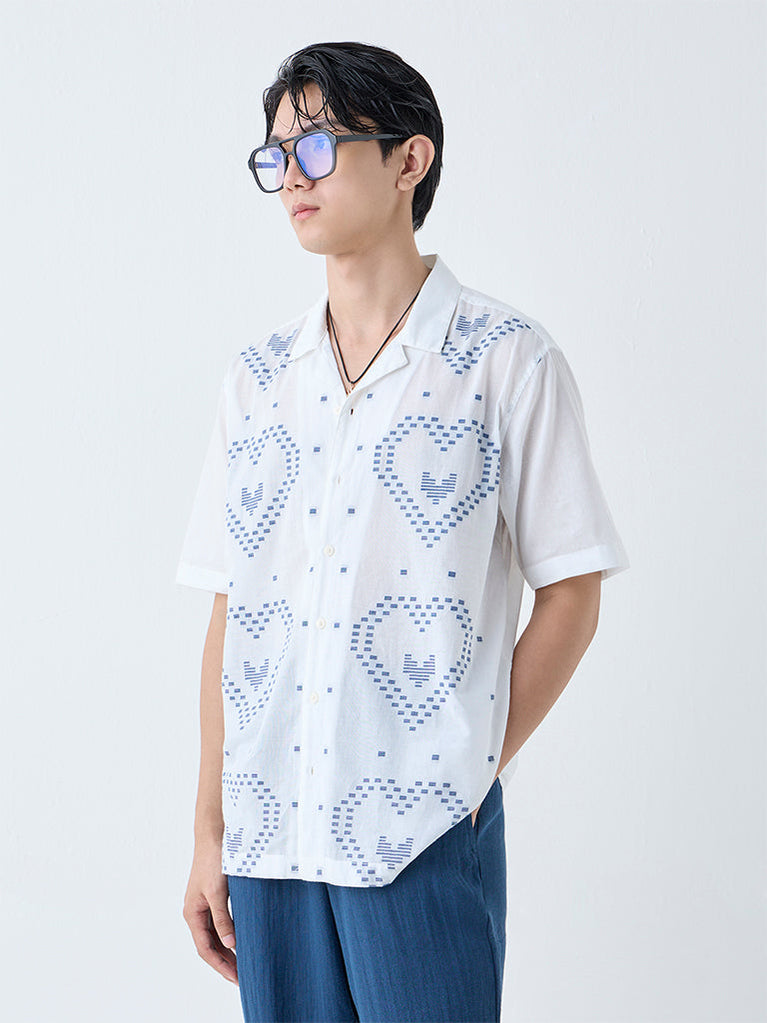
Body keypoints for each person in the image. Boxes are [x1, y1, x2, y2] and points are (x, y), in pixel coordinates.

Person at [175, 39, 629, 1023]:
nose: (291, 176)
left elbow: (572, 591)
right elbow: (229, 612)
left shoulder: (505, 362)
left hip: (418, 837)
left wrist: (461, 769)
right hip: (268, 840)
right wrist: (209, 829)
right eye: (275, 154)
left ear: (407, 159)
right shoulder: (257, 381)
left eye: (316, 145)